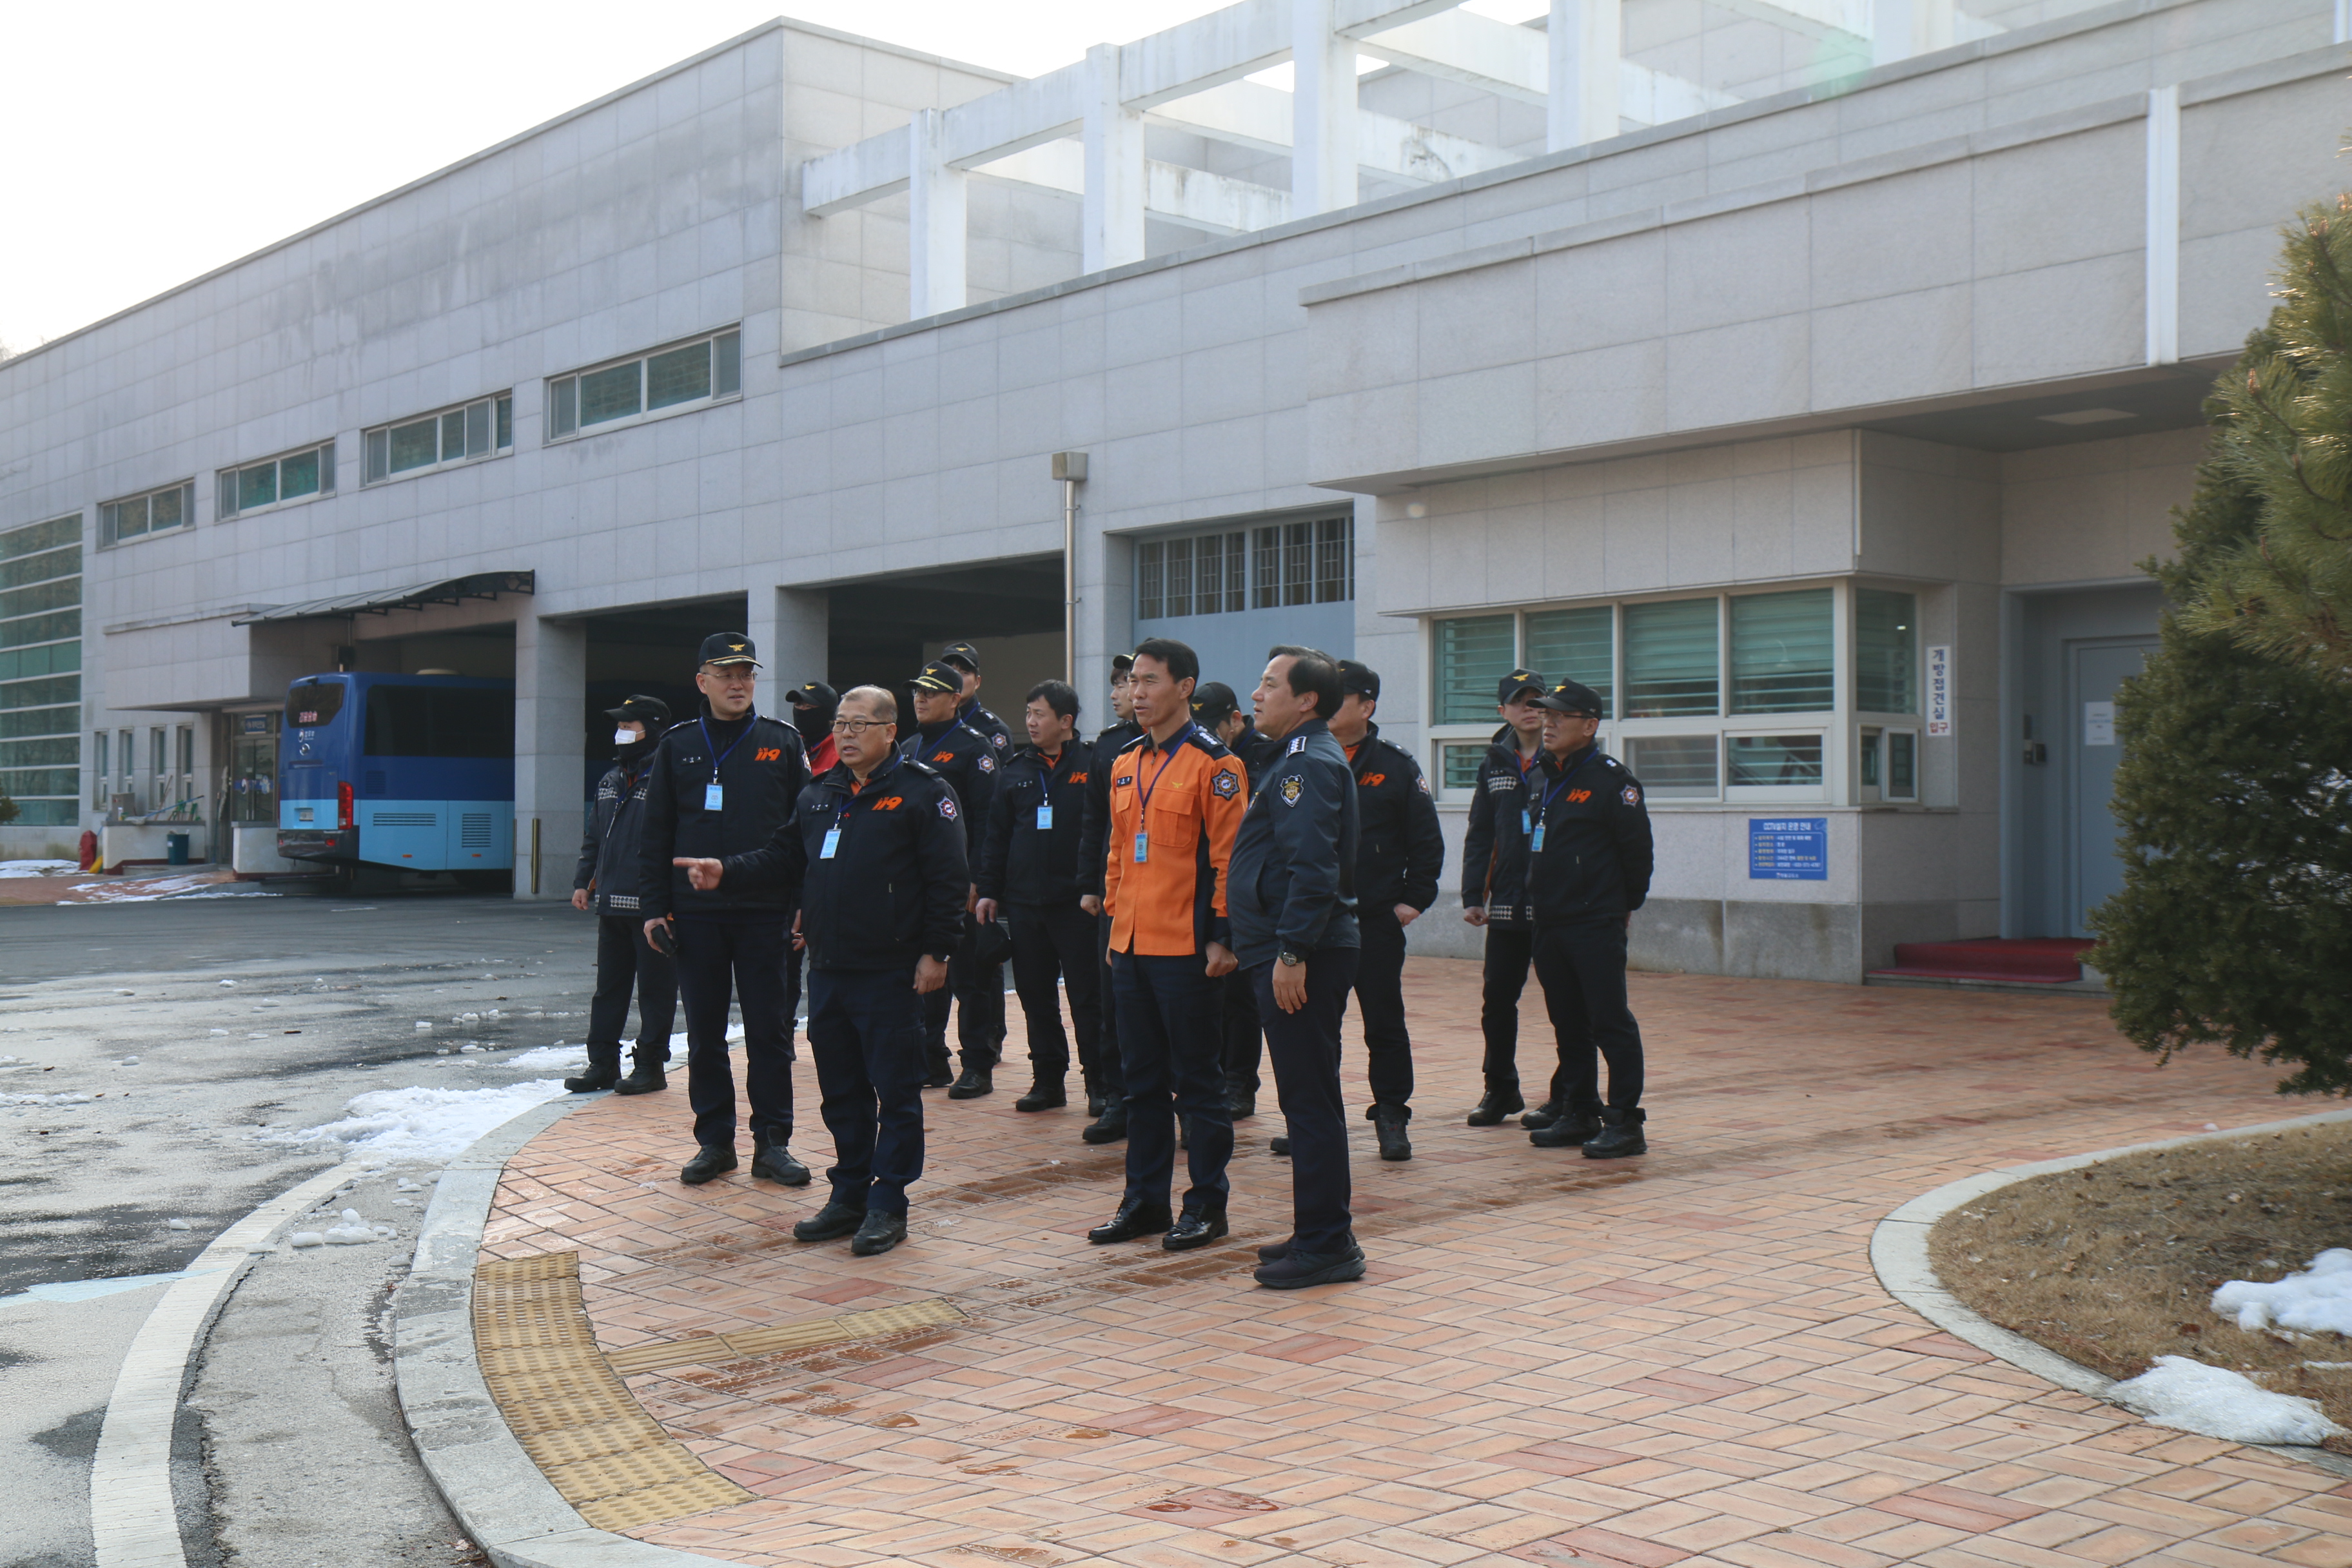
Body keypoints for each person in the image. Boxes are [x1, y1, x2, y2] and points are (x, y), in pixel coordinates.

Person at [671, 685, 965, 1257]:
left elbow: (949, 878)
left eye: (859, 724)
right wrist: (726, 870)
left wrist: (939, 951)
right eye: (840, 725)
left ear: (889, 731)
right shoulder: (820, 793)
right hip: (829, 969)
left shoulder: (924, 793)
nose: (846, 735)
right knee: (841, 1093)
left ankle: (888, 1203)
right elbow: (784, 856)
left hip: (891, 971)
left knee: (896, 1094)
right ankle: (849, 1194)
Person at [1086, 638, 1248, 1251]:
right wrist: (1114, 926)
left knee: (1198, 1084)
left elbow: (1230, 860)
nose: (1137, 693)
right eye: (1133, 682)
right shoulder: (1125, 761)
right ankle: (1145, 1200)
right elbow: (1117, 852)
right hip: (1131, 946)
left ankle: (1206, 1204)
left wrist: (1223, 937)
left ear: (1185, 688)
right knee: (1141, 1083)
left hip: (1187, 949)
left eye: (1150, 681)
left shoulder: (1216, 765)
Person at [636, 634, 812, 1186]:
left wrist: (805, 904)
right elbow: (655, 832)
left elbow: (805, 831)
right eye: (726, 673)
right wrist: (654, 908)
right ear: (702, 681)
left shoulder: (782, 741)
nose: (739, 684)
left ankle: (772, 1143)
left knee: (770, 1034)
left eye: (747, 674)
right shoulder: (678, 745)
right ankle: (715, 1143)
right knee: (705, 1035)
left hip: (766, 912)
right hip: (696, 915)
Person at [1230, 646, 1364, 1289]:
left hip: (1301, 953)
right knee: (1308, 1097)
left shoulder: (1306, 764)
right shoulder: (1292, 757)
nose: (1257, 695)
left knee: (1309, 1100)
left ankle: (1328, 1242)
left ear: (1306, 699)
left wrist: (1291, 952)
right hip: (1289, 946)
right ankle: (1319, 1228)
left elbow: (1313, 867)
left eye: (1269, 684)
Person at [1522, 678, 1653, 1159]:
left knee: (1609, 1021)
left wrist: (1620, 908)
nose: (1549, 723)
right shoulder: (1543, 776)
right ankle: (1579, 1111)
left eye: (1560, 716)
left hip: (1594, 922)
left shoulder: (1612, 781)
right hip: (1549, 921)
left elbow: (1637, 854)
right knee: (1568, 1023)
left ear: (1590, 725)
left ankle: (1626, 1121)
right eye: (1546, 715)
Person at [1325, 661, 1444, 1161]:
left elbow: (1426, 841)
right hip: (1317, 920)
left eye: (1340, 696)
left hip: (1374, 921)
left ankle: (1392, 1114)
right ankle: (1316, 1119)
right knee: (1317, 1027)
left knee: (1384, 1022)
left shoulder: (1395, 766)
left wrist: (1413, 901)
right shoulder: (1303, 756)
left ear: (1367, 706)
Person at [974, 680, 1102, 1113]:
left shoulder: (1093, 764)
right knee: (1035, 995)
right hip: (1026, 904)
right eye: (1028, 713)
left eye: (1039, 714)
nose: (1030, 722)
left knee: (1088, 997)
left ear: (1065, 721)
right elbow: (996, 837)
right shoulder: (1014, 771)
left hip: (1079, 904)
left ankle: (1100, 1083)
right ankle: (1048, 1080)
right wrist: (989, 891)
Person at [1459, 667, 1577, 1129]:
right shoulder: (1495, 762)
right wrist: (1474, 893)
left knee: (1565, 1003)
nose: (1530, 708)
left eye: (1537, 700)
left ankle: (1566, 1095)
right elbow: (1480, 831)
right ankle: (1500, 1088)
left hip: (1556, 905)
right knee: (1497, 1000)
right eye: (1519, 701)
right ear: (1502, 710)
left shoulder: (1565, 757)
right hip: (1508, 900)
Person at [568, 694, 678, 1095]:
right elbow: (595, 836)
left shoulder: (669, 777)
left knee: (655, 990)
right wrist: (584, 880)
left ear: (652, 729)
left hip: (653, 907)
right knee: (609, 990)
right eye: (619, 726)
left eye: (629, 726)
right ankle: (602, 1063)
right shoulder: (611, 780)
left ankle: (650, 1064)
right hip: (611, 903)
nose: (621, 733)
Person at [901, 658, 1002, 1095]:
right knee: (925, 973)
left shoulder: (974, 748)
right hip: (916, 884)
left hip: (959, 881)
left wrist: (979, 877)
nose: (921, 699)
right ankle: (930, 1058)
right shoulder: (908, 747)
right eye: (917, 692)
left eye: (931, 693)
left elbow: (989, 818)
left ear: (955, 699)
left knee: (970, 977)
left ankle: (977, 1063)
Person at [1189, 681, 1266, 1121]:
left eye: (1213, 728)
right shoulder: (1198, 756)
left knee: (1241, 998)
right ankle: (1214, 1076)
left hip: (1249, 894)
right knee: (1209, 995)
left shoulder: (1264, 756)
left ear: (1235, 720)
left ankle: (1241, 1082)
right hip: (1208, 887)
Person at [1074, 652, 1141, 1143]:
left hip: (1171, 898)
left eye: (1132, 681)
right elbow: (1095, 820)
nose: (1121, 692)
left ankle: (1182, 1100)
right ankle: (1119, 1098)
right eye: (1119, 683)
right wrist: (1091, 884)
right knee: (1113, 999)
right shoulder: (1111, 747)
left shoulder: (1198, 751)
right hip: (1116, 893)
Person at [938, 640, 1011, 757]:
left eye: (964, 673)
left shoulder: (994, 730)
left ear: (977, 682)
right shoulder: (930, 724)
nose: (957, 679)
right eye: (951, 672)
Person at [789, 680, 839, 774]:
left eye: (809, 707)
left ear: (826, 713)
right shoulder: (790, 745)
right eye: (798, 704)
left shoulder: (841, 751)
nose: (801, 710)